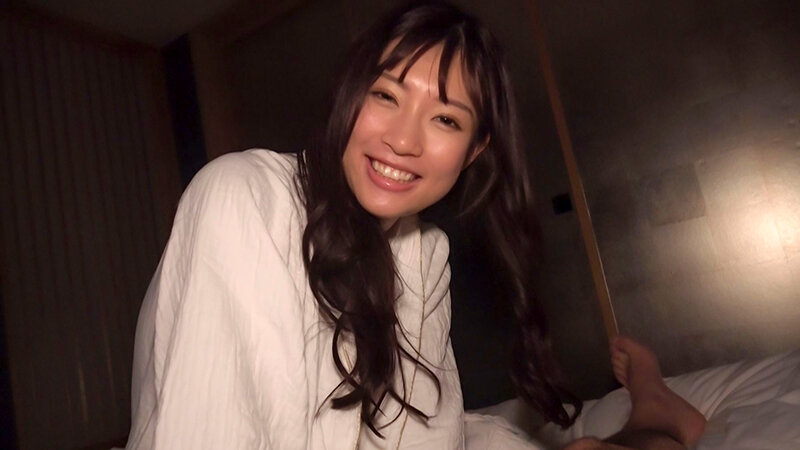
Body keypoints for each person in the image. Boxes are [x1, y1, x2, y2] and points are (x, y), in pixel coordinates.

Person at [125, 1, 706, 449]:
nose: (402, 141)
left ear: (474, 150)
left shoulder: (424, 252)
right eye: (385, 95)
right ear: (350, 96)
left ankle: (652, 407)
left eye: (445, 120)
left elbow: (422, 435)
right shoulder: (243, 195)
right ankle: (654, 412)